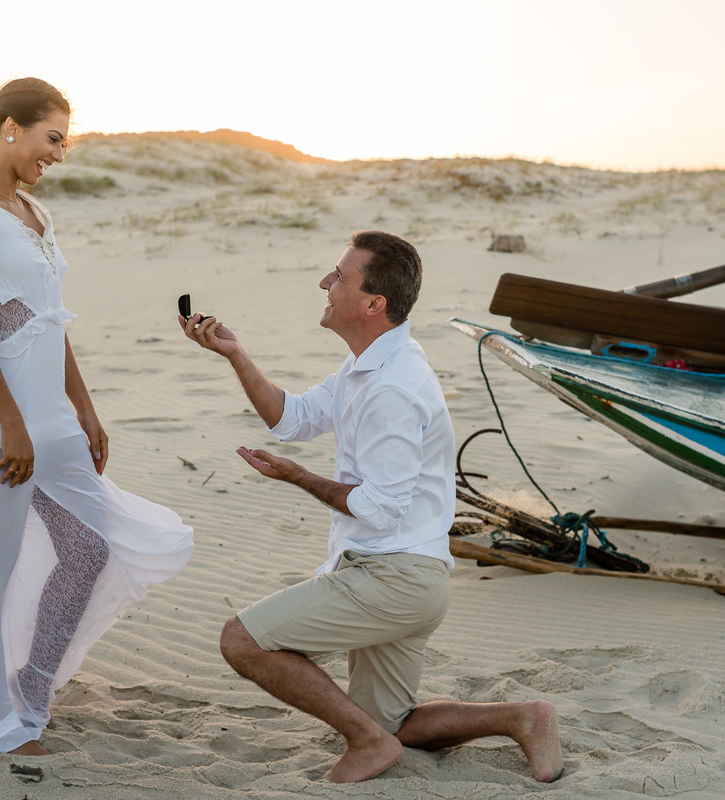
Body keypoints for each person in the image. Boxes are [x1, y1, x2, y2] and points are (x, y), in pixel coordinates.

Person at [180, 231, 562, 783]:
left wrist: (298, 478)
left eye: (338, 276)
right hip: (411, 577)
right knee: (399, 724)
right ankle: (524, 717)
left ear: (373, 303)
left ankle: (363, 741)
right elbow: (291, 418)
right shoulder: (374, 365)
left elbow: (380, 509)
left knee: (242, 641)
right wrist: (235, 355)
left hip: (393, 575)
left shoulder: (393, 387)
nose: (325, 283)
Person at [0, 78, 193, 755]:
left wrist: (85, 406)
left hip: (52, 419)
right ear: (11, 128)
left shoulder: (36, 214)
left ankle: (35, 685)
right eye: (53, 138)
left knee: (89, 547)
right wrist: (12, 423)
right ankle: (0, 728)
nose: (60, 153)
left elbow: (53, 324)